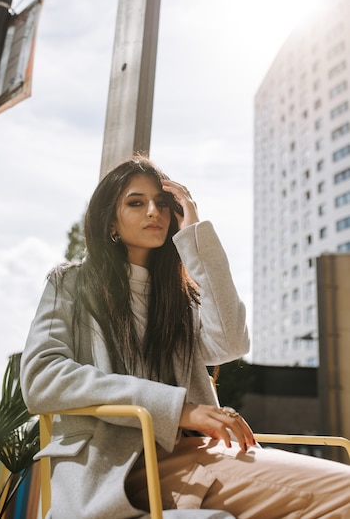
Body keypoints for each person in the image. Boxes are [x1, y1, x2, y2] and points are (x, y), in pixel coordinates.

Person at [20, 155, 350, 519]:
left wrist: (195, 237)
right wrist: (181, 410)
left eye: (163, 203)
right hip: (112, 469)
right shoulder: (71, 283)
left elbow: (231, 343)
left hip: (190, 459)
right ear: (111, 221)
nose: (153, 212)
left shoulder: (178, 299)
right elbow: (41, 377)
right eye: (136, 202)